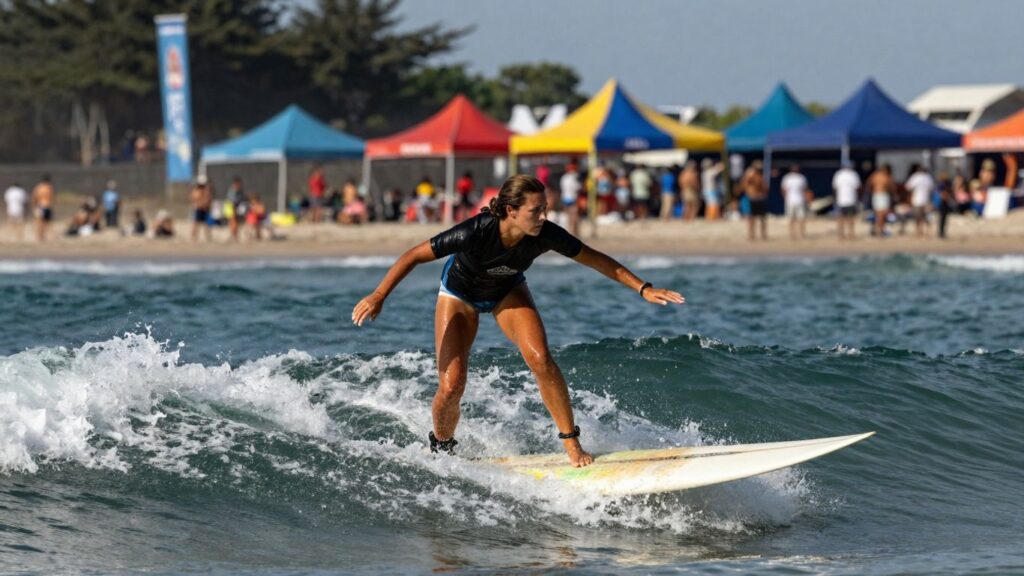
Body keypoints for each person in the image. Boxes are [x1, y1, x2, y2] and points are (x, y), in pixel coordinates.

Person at [351, 175, 685, 467]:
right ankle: (442, 446)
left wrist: (642, 287)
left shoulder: (545, 234)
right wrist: (379, 295)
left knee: (541, 359)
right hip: (459, 296)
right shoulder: (476, 231)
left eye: (545, 209)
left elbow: (594, 259)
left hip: (507, 291)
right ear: (511, 210)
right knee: (451, 385)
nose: (543, 217)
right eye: (535, 210)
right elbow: (413, 255)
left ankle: (571, 442)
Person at [833, 161, 862, 240]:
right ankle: (850, 234)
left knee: (841, 218)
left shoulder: (838, 174)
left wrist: (835, 198)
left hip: (841, 199)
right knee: (850, 218)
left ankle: (841, 235)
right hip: (851, 199)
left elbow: (835, 188)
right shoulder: (854, 175)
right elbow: (858, 188)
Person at [781, 164, 811, 240]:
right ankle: (794, 234)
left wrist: (806, 198)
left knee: (799, 218)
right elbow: (784, 190)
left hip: (798, 200)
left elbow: (804, 190)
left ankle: (799, 234)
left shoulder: (800, 178)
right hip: (793, 200)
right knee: (793, 218)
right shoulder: (789, 178)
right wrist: (786, 197)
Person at [905, 164, 935, 237]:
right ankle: (926, 231)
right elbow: (931, 188)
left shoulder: (915, 177)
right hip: (925, 199)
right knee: (926, 217)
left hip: (917, 200)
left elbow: (908, 187)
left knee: (918, 217)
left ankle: (919, 231)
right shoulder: (928, 177)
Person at [742, 161, 768, 241]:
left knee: (762, 218)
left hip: (759, 198)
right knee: (751, 218)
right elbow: (744, 186)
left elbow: (765, 187)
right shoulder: (750, 175)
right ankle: (751, 235)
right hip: (752, 198)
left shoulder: (761, 176)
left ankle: (763, 235)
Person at [868, 164, 894, 237]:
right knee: (880, 214)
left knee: (881, 214)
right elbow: (891, 187)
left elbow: (869, 185)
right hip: (881, 195)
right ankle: (880, 230)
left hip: (878, 195)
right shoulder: (885, 177)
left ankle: (879, 229)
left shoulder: (875, 176)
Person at [559, 160, 582, 236]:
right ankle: (574, 232)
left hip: (565, 198)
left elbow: (562, 189)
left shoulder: (564, 177)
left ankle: (570, 232)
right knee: (574, 217)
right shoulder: (574, 176)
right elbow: (577, 188)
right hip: (572, 198)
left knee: (568, 217)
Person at [32, 174, 54, 242]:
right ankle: (45, 237)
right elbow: (52, 197)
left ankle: (40, 237)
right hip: (48, 205)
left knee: (39, 223)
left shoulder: (39, 187)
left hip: (40, 206)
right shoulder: (50, 187)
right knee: (47, 223)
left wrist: (34, 206)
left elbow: (34, 197)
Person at [190, 174, 213, 242]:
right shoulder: (196, 190)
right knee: (196, 224)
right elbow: (193, 198)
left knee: (206, 224)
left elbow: (209, 199)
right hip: (199, 209)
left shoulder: (207, 191)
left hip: (205, 209)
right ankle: (194, 237)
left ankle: (208, 237)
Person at [224, 176, 244, 241]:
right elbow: (232, 200)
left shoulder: (239, 190)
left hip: (234, 207)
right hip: (230, 207)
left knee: (234, 222)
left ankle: (234, 235)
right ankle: (234, 235)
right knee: (233, 221)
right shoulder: (233, 190)